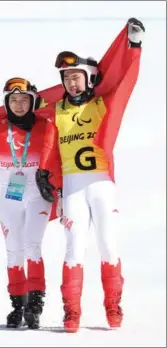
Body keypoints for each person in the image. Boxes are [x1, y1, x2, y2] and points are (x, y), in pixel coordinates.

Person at [34, 18, 145, 333]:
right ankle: (72, 313)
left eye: (76, 77)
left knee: (109, 245)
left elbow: (126, 81)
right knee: (74, 249)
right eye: (66, 78)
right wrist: (44, 173)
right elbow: (40, 133)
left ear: (90, 79)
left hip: (101, 185)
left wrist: (133, 46)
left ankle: (113, 306)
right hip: (72, 188)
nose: (71, 83)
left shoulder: (103, 104)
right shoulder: (57, 110)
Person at [0, 77, 62, 329]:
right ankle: (17, 304)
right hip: (9, 196)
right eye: (13, 100)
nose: (19, 105)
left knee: (33, 245)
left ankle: (35, 304)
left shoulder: (46, 125)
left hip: (38, 194)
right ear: (6, 103)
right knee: (14, 250)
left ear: (33, 101)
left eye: (24, 100)